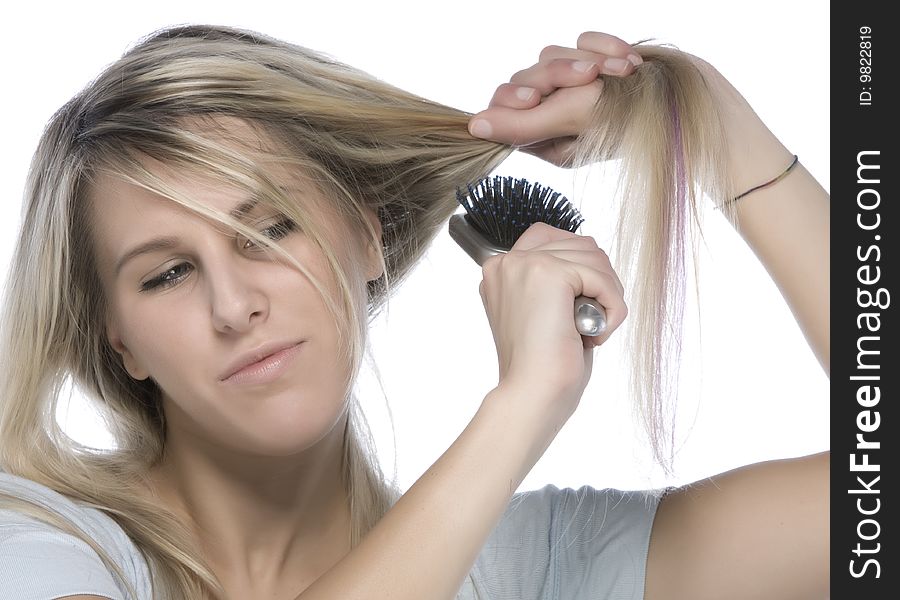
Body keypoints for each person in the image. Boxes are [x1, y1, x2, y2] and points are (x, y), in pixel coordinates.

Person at [0, 24, 828, 600]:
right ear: (120, 342)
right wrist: (519, 409)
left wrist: (721, 135)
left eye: (271, 227)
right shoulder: (35, 542)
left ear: (369, 237)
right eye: (170, 273)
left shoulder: (523, 569)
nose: (235, 304)